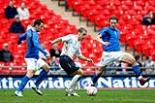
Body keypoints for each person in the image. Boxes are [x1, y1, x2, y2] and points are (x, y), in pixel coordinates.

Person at [91, 16, 150, 87]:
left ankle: (141, 79)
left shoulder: (118, 31)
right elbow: (97, 37)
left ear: (117, 23)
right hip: (107, 54)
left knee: (132, 60)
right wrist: (103, 43)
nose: (113, 24)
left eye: (114, 23)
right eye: (111, 23)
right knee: (99, 71)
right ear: (109, 23)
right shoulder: (106, 30)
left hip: (117, 53)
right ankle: (92, 84)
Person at [51, 27, 93, 96]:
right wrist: (53, 42)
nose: (84, 37)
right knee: (81, 73)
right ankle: (69, 88)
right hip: (64, 58)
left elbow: (79, 56)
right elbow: (61, 39)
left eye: (85, 35)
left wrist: (87, 59)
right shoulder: (71, 37)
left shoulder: (78, 44)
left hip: (68, 60)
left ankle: (71, 91)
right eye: (83, 34)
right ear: (79, 33)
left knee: (78, 74)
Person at [15, 19, 50, 97]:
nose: (42, 28)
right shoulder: (34, 33)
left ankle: (35, 85)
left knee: (47, 68)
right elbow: (36, 45)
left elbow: (21, 37)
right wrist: (45, 53)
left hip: (35, 57)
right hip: (30, 57)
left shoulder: (29, 32)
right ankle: (18, 91)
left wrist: (19, 42)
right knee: (30, 74)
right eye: (41, 26)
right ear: (36, 26)